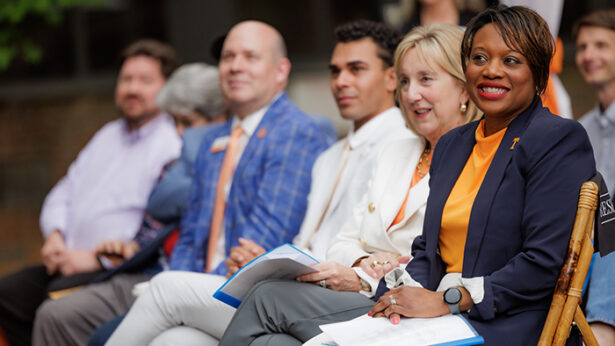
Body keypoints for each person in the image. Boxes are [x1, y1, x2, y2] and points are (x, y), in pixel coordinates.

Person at [220, 6, 597, 346]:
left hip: (501, 323)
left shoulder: (556, 138)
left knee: (269, 300)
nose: (491, 70)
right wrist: (393, 292)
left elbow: (543, 263)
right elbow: (426, 253)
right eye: (479, 58)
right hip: (430, 315)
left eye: (510, 60)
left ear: (538, 71)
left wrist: (449, 300)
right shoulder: (454, 144)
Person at [103, 20, 415, 346]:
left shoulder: (400, 147)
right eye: (335, 71)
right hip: (292, 284)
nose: (341, 81)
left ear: (391, 78)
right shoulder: (331, 154)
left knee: (165, 288)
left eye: (356, 69)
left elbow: (381, 245)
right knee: (175, 340)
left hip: (335, 296)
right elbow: (304, 239)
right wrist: (267, 260)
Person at [218, 22, 484, 346]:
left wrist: (367, 276)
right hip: (366, 298)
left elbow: (446, 264)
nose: (411, 94)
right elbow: (342, 241)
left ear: (463, 87)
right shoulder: (396, 152)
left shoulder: (479, 158)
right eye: (404, 81)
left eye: (425, 79)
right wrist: (359, 263)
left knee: (266, 296)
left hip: (416, 310)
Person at [0, 39, 182, 346]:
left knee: (54, 306)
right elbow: (64, 190)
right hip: (64, 258)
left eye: (145, 81)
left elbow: (154, 230)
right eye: (126, 79)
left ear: (168, 87)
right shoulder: (106, 135)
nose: (132, 88)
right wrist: (55, 235)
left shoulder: (172, 144)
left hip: (113, 269)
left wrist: (96, 260)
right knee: (7, 293)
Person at [30, 62, 227, 346]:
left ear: (220, 118)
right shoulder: (111, 136)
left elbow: (162, 203)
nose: (181, 133)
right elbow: (154, 221)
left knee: (68, 319)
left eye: (189, 123)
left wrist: (102, 259)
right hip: (141, 269)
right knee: (43, 301)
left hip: (168, 278)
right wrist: (123, 249)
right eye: (176, 123)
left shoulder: (200, 158)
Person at [573, 9, 615, 345]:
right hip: (587, 242)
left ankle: (600, 335)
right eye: (583, 46)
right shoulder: (581, 128)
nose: (589, 56)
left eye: (601, 45)